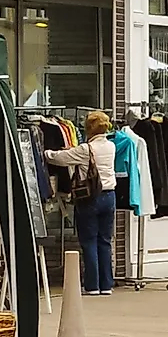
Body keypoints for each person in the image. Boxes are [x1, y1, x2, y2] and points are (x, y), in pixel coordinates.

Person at [45, 111, 120, 296]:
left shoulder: (86, 149)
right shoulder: (111, 146)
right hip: (110, 196)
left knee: (88, 241)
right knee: (104, 241)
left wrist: (45, 152)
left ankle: (92, 285)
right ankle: (106, 285)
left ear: (89, 129)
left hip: (90, 198)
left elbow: (58, 158)